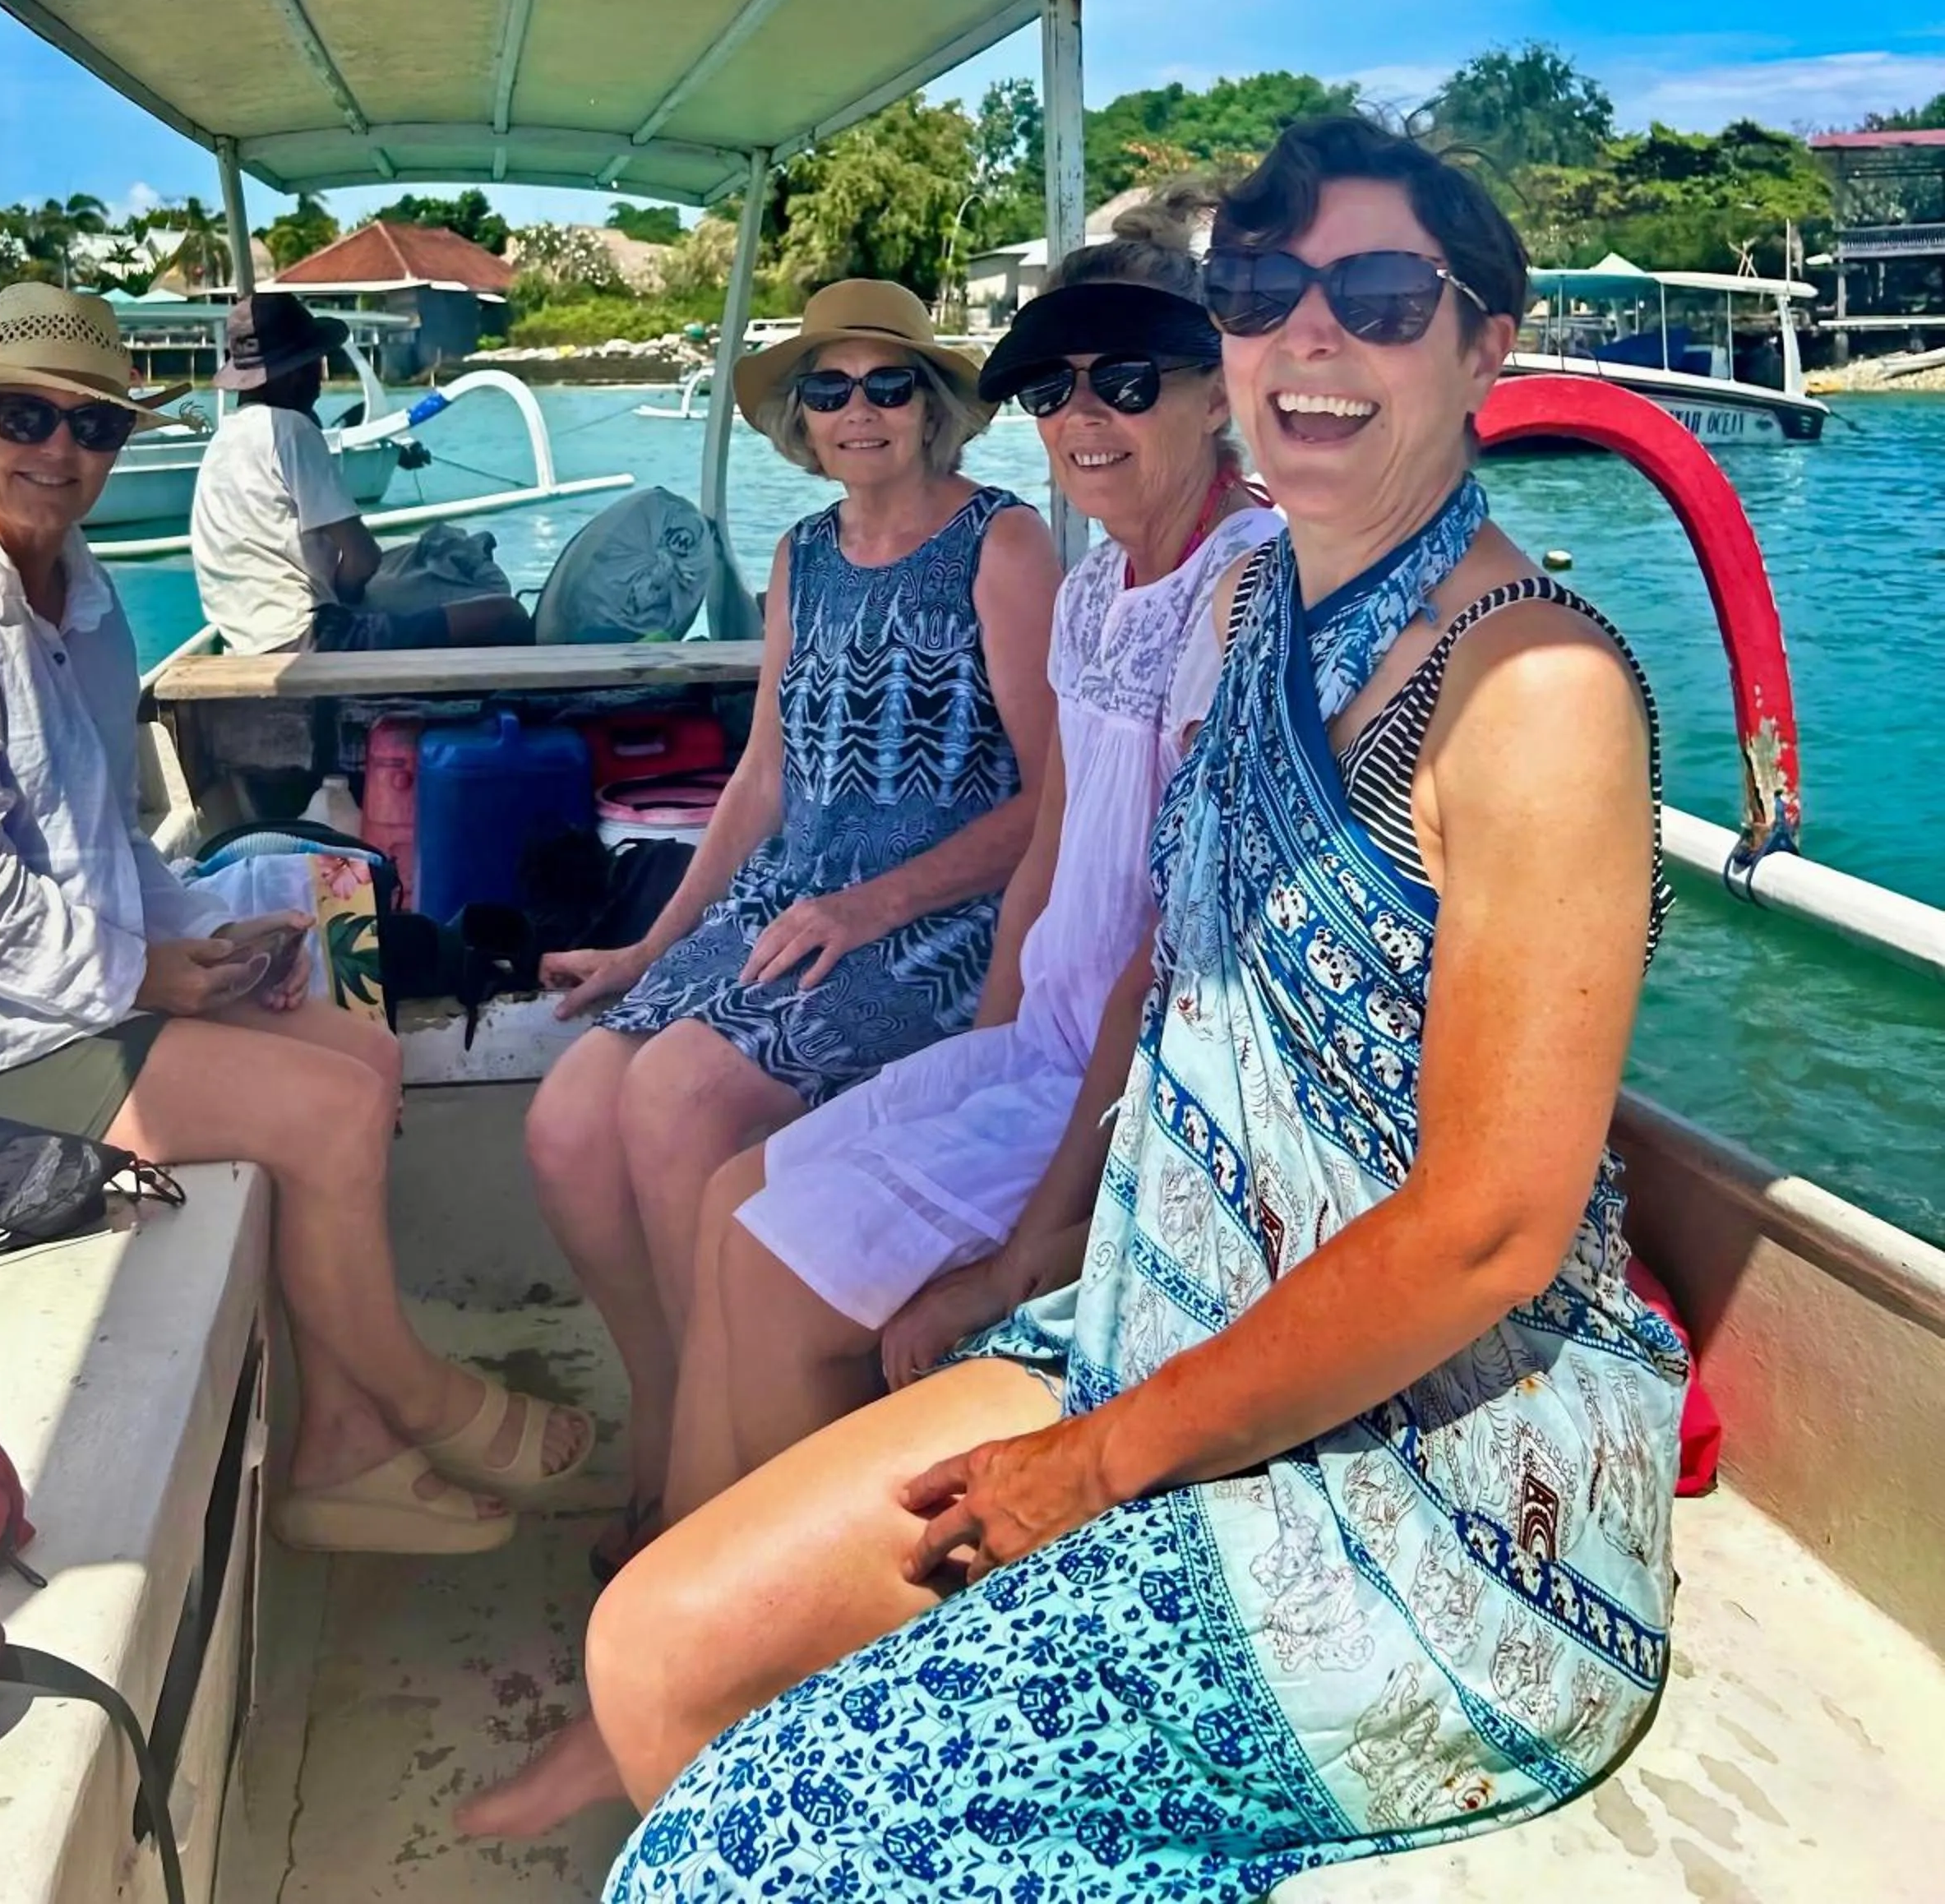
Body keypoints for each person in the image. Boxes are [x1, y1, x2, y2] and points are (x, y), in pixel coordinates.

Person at [584, 115, 1688, 1900]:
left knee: (711, 1860)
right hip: (1157, 1326)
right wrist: (1040, 1267)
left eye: (1385, 297)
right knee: (656, 1653)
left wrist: (1094, 1461)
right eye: (1263, 293)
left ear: (1488, 345)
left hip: (1435, 1493)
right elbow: (1156, 975)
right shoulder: (1259, 606)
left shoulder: (1531, 686)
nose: (1311, 337)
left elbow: (1489, 1230)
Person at [460, 234, 1282, 1841]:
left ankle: (688, 1688)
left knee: (724, 1193)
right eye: (1058, 386)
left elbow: (1128, 906)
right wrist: (667, 945)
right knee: (665, 1170)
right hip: (1005, 1012)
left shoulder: (1161, 575)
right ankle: (672, 1612)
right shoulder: (1105, 569)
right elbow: (848, 797)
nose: (1087, 418)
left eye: (1130, 382)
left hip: (1073, 1043)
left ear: (1219, 391)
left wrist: (1030, 1221)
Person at [0, 283, 590, 1558]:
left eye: (90, 428)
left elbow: (101, 840)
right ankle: (407, 1407)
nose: (58, 451)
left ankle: (332, 1450)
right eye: (26, 418)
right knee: (316, 1112)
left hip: (56, 1017)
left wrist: (204, 938)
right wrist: (150, 976)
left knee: (362, 1048)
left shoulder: (79, 601)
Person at [524, 279, 1062, 1581]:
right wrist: (651, 951)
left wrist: (872, 903)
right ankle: (672, 1422)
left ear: (935, 410)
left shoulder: (1004, 544)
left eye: (890, 386)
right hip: (793, 905)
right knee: (564, 1122)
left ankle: (726, 1512)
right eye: (831, 389)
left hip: (936, 923)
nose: (859, 411)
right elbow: (762, 777)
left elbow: (1058, 795)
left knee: (674, 1104)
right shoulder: (801, 557)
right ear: (803, 421)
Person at [190, 290, 532, 654]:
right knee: (507, 615)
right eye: (315, 366)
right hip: (313, 641)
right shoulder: (290, 429)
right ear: (292, 374)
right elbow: (363, 558)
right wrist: (352, 597)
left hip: (247, 642)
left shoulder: (223, 439)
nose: (319, 382)